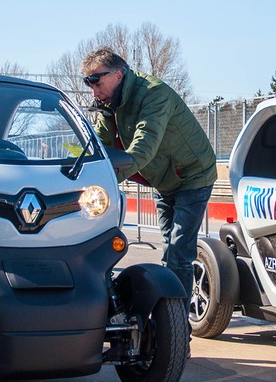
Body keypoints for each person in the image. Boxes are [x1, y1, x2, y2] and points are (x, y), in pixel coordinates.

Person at [81, 47, 217, 293]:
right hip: (163, 179)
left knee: (178, 254)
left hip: (192, 175)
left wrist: (108, 183)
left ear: (118, 75)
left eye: (96, 81)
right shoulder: (108, 103)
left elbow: (143, 148)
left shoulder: (154, 94)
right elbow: (101, 150)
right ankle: (170, 318)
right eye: (89, 83)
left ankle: (177, 326)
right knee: (168, 249)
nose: (94, 90)